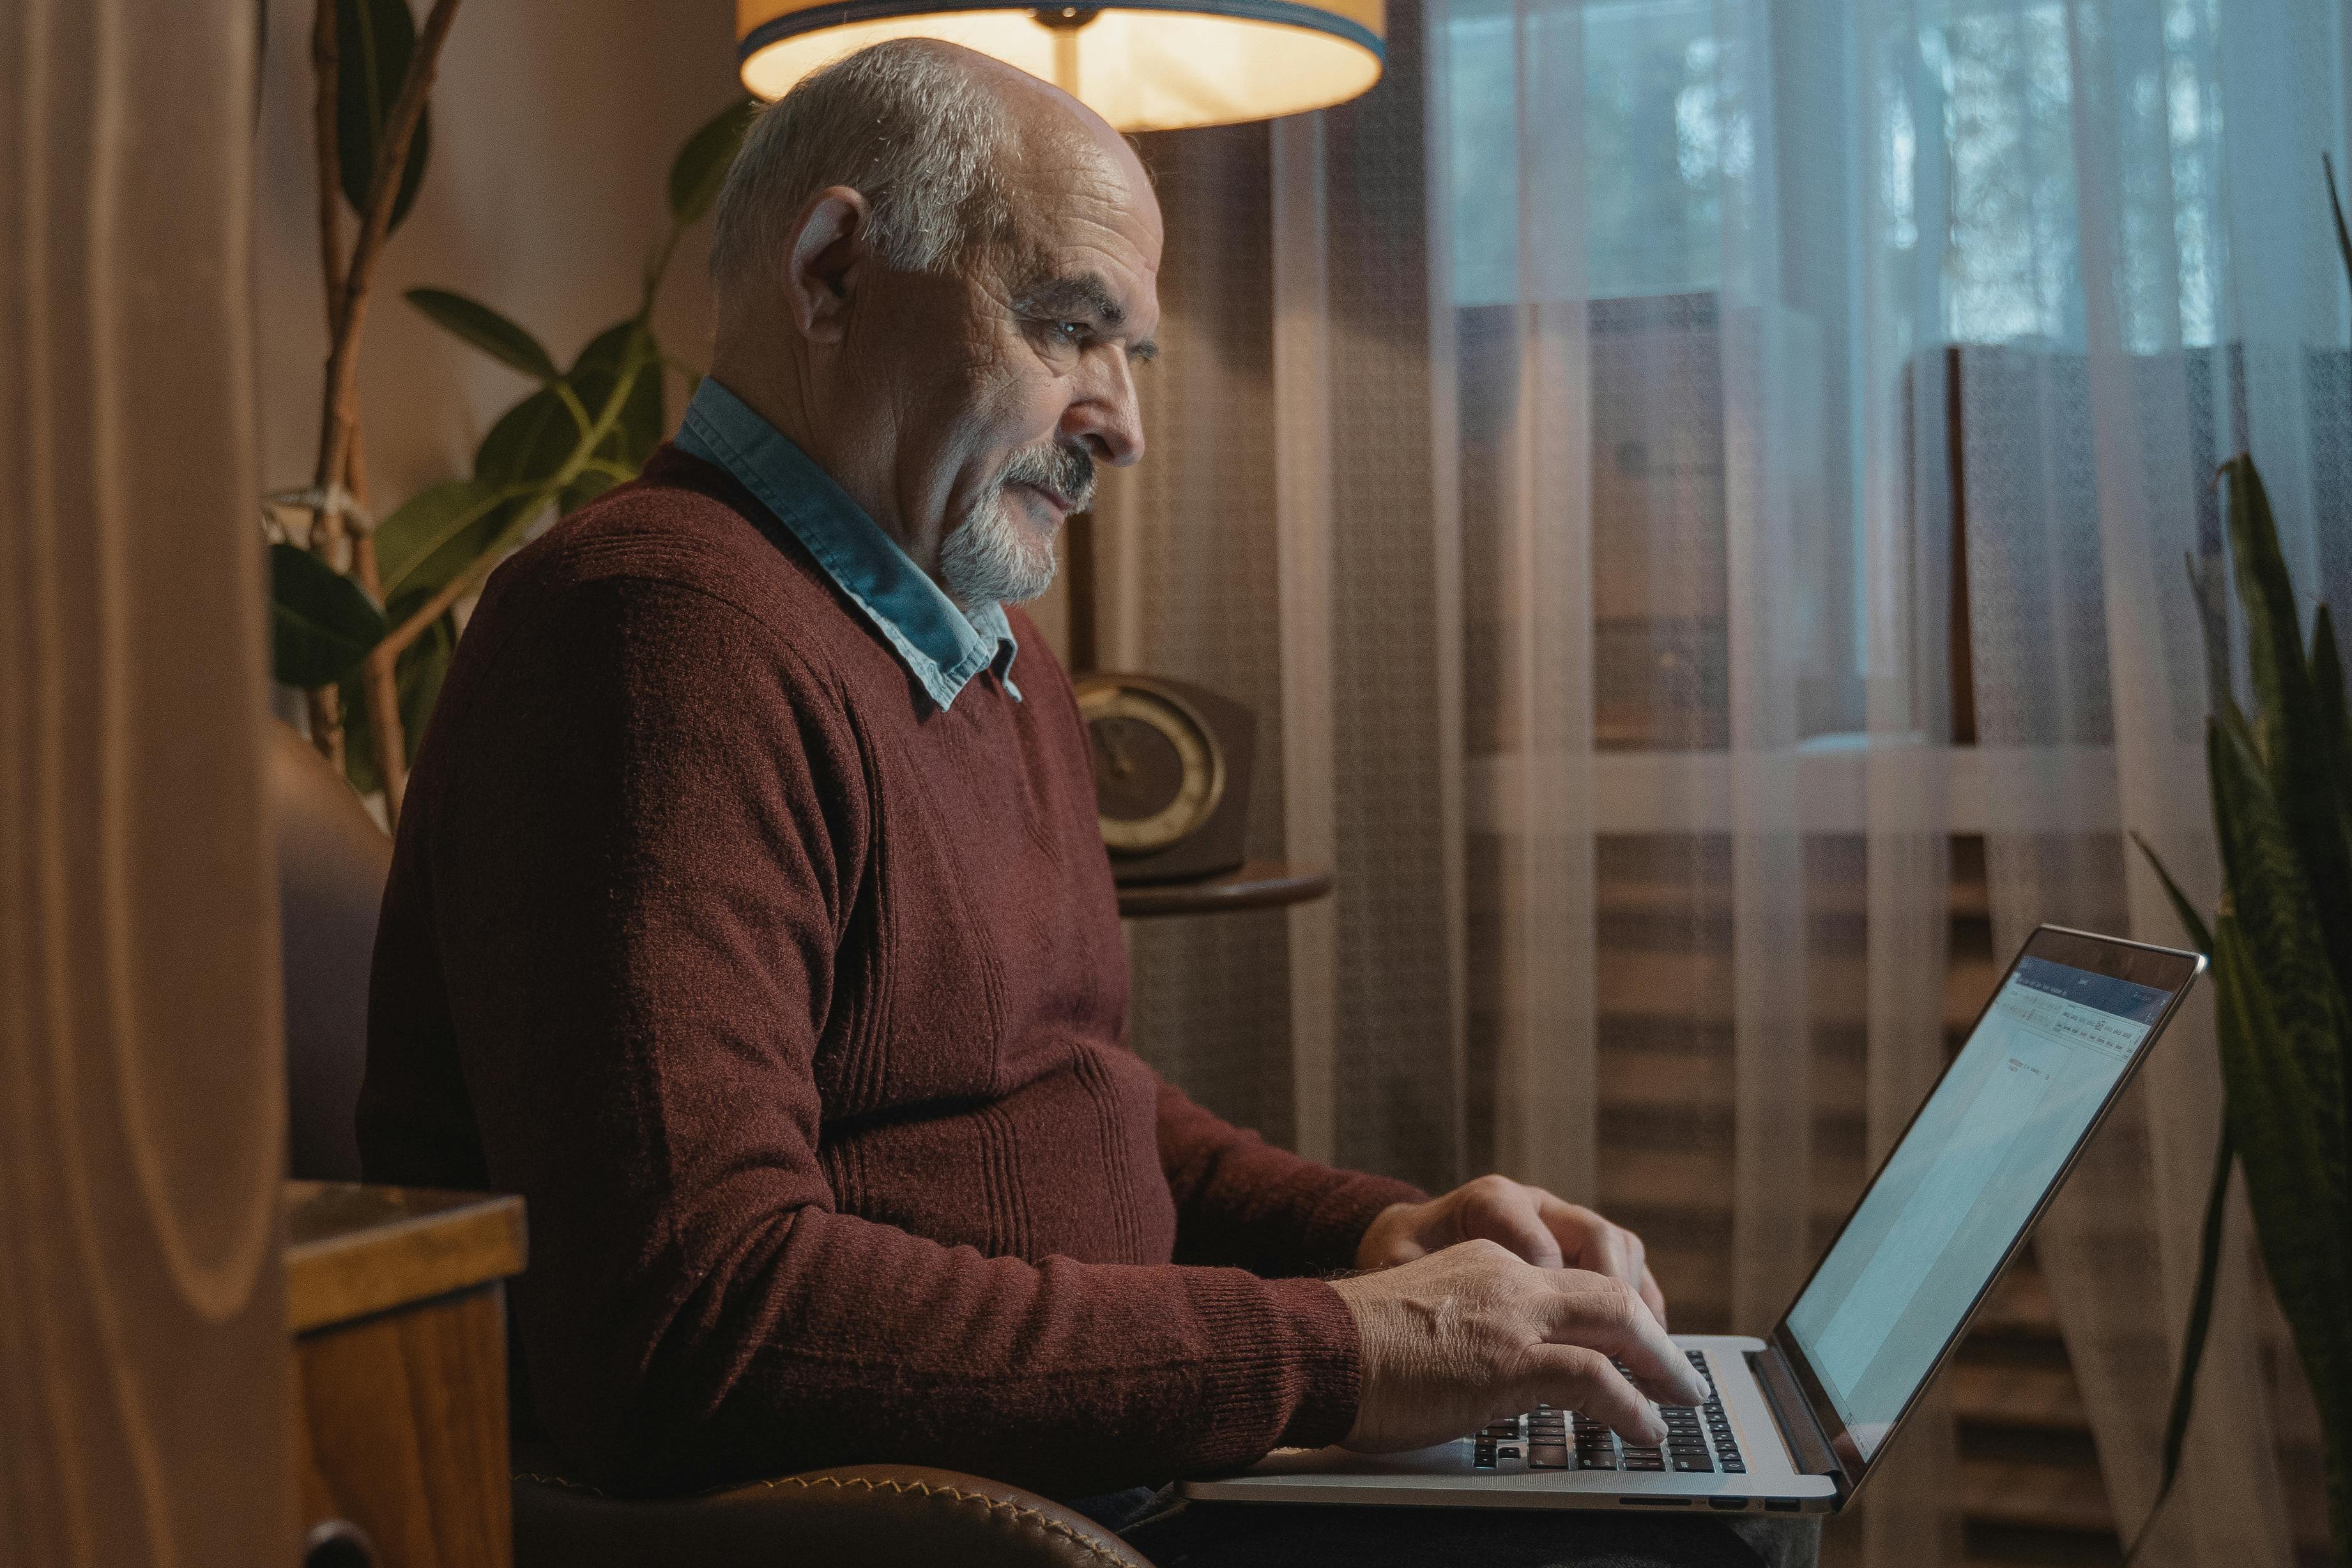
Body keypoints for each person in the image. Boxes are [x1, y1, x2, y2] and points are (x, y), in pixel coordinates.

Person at [359, 40, 1801, 1568]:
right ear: (832, 270)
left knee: (1696, 1508)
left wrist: (1366, 1239)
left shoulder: (982, 648)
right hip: (924, 1531)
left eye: (1134, 356)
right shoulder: (654, 632)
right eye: (1069, 329)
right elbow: (689, 1324)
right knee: (1689, 1547)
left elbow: (1066, 1093)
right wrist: (1335, 1350)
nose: (1119, 419)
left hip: (1096, 1476)